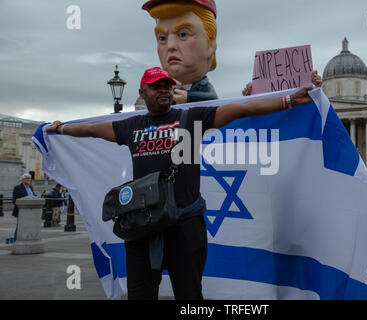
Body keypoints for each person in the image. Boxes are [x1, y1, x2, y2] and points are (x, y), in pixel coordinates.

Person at [45, 66, 321, 300]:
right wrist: (60, 129)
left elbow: (242, 109)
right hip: (143, 229)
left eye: (167, 85)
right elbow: (92, 129)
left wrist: (288, 101)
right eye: (156, 87)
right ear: (142, 93)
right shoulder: (131, 126)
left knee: (189, 296)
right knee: (140, 294)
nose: (163, 90)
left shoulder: (191, 119)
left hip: (185, 227)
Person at [142, 0, 219, 104]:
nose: (171, 46)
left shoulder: (203, 90)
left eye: (183, 34)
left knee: (197, 121)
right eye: (162, 38)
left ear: (210, 44)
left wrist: (190, 99)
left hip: (198, 120)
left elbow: (210, 101)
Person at [12, 173, 36, 242]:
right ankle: (16, 239)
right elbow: (14, 200)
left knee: (29, 226)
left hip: (31, 211)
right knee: (19, 226)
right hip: (22, 211)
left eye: (29, 178)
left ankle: (27, 238)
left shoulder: (31, 187)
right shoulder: (17, 188)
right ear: (22, 180)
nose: (29, 180)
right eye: (27, 178)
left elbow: (33, 196)